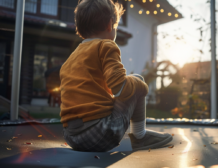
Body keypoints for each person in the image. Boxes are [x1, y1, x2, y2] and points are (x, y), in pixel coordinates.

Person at [60, 0, 173, 152]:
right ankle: (140, 136)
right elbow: (120, 88)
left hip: (71, 137)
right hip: (100, 134)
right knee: (137, 80)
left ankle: (139, 135)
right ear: (110, 24)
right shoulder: (105, 45)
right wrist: (141, 87)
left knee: (120, 91)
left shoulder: (71, 59)